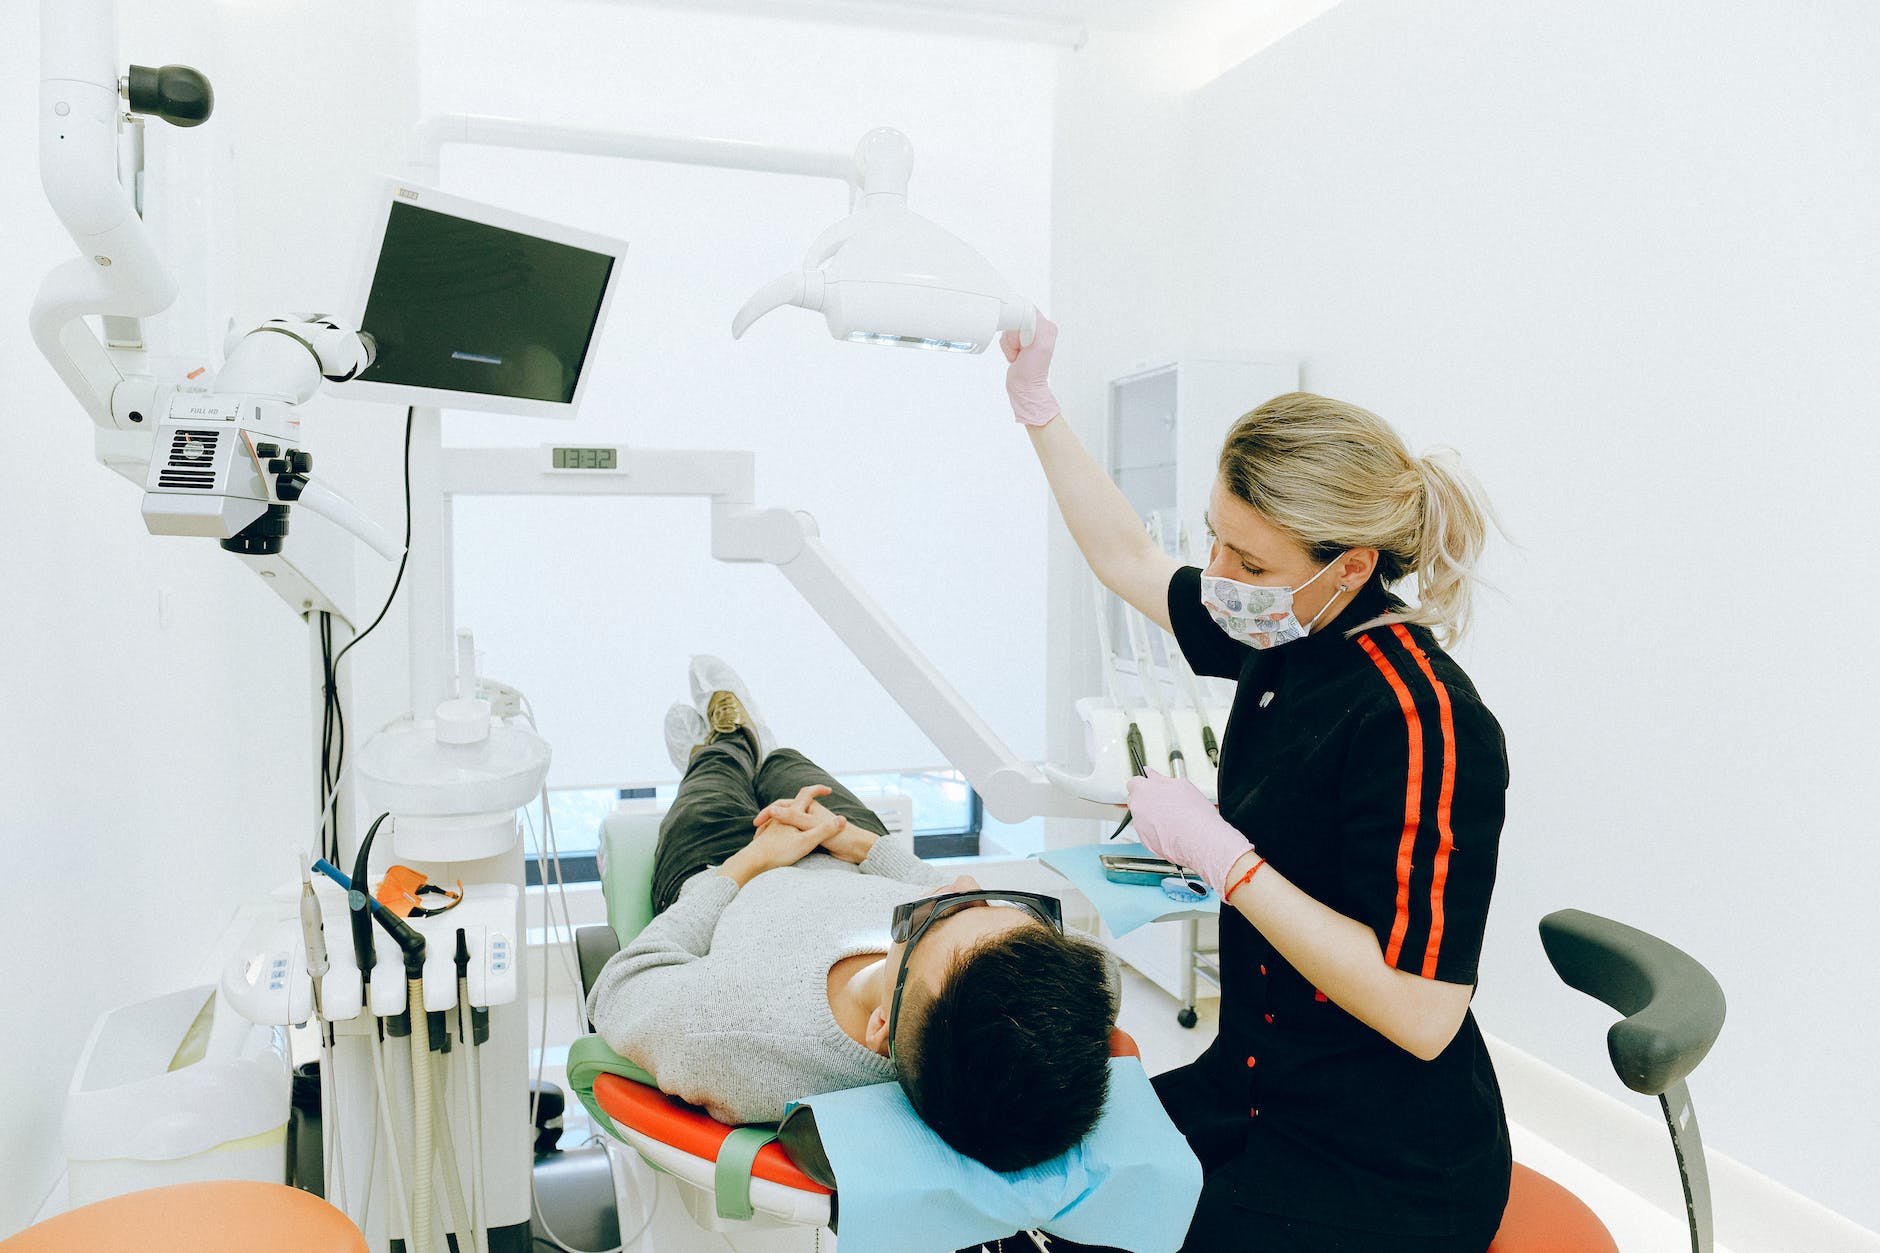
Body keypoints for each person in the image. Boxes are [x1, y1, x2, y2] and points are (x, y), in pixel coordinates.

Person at [1001, 317, 1512, 1250]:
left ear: (1350, 567)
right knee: (1026, 1184)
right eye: (1218, 543)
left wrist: (1225, 858)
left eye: (1251, 561)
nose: (1222, 577)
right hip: (1252, 1085)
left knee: (1086, 1236)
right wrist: (1038, 411)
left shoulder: (1425, 718)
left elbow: (1425, 1012)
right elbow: (1127, 559)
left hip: (1389, 1168)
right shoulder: (1283, 632)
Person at [584, 655, 1119, 1172]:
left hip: (722, 866)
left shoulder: (730, 1037)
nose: (959, 881)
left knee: (716, 774)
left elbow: (619, 988)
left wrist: (754, 859)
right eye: (999, 905)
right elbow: (1103, 976)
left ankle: (725, 741)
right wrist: (862, 846)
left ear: (880, 1027)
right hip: (850, 853)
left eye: (944, 912)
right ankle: (762, 746)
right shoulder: (1004, 1007)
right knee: (789, 765)